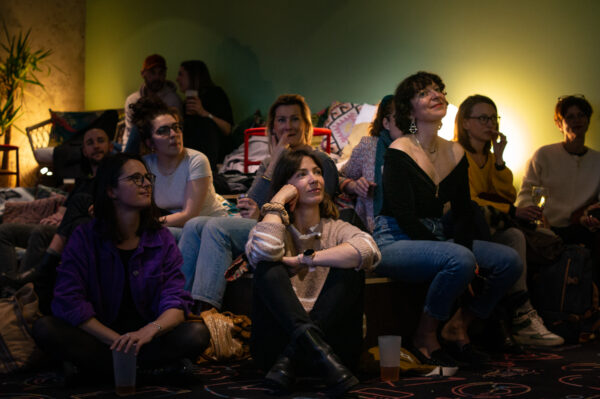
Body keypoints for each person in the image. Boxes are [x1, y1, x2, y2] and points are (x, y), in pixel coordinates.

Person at [373, 72, 522, 367]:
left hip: (438, 237)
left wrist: (465, 249)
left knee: (509, 261)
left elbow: (465, 211)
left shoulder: (455, 151)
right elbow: (403, 215)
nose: (435, 94)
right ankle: (426, 337)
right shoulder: (399, 149)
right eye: (423, 92)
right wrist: (462, 254)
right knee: (460, 259)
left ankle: (458, 325)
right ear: (409, 109)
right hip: (394, 238)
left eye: (438, 89)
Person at [31, 153, 209, 378]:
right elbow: (68, 300)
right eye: (135, 178)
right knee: (45, 329)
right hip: (101, 338)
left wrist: (149, 331)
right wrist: (116, 341)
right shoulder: (85, 238)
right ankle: (152, 371)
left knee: (197, 334)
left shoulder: (161, 238)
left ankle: (96, 373)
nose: (145, 184)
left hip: (145, 338)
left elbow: (175, 299)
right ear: (111, 190)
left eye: (147, 177)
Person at [178, 94, 339, 303]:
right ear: (272, 127)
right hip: (263, 226)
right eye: (281, 120)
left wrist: (264, 211)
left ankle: (204, 309)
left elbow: (321, 209)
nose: (287, 125)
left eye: (294, 119)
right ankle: (178, 304)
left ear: (306, 124)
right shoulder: (269, 162)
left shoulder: (321, 161)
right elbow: (253, 202)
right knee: (194, 225)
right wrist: (274, 162)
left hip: (294, 231)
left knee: (216, 228)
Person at [245, 149, 380, 395]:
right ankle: (311, 348)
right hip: (279, 350)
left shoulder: (338, 227)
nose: (314, 179)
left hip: (329, 351)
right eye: (302, 174)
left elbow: (369, 251)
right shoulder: (270, 228)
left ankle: (301, 353)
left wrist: (306, 259)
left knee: (351, 264)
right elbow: (265, 249)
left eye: (317, 172)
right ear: (286, 185)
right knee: (268, 266)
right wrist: (277, 203)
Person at [455, 94, 564, 346]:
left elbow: (508, 194)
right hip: (468, 226)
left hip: (493, 225)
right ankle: (518, 315)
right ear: (465, 123)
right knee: (514, 232)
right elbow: (470, 200)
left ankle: (522, 313)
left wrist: (500, 157)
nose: (491, 124)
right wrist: (512, 212)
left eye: (493, 118)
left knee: (519, 236)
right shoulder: (457, 153)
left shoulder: (491, 158)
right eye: (483, 118)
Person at [0, 123, 114, 311]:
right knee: (4, 231)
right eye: (90, 143)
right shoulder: (81, 182)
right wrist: (55, 216)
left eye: (100, 141)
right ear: (84, 151)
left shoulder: (113, 179)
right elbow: (62, 211)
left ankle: (19, 294)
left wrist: (62, 219)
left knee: (41, 232)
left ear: (110, 146)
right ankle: (8, 287)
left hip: (80, 230)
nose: (96, 146)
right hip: (58, 228)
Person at [131, 96, 229, 240]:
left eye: (176, 127)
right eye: (163, 131)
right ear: (150, 142)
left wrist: (148, 224)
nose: (174, 134)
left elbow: (189, 215)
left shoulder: (196, 160)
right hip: (175, 228)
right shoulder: (145, 165)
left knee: (155, 235)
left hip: (209, 228)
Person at [516, 95, 600, 249]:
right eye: (570, 117)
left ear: (588, 121)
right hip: (545, 226)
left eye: (581, 115)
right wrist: (539, 218)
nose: (577, 120)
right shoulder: (543, 154)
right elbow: (526, 195)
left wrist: (591, 217)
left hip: (580, 227)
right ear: (559, 124)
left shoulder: (597, 160)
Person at [340, 94, 403, 232]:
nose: (408, 124)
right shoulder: (368, 147)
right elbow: (340, 176)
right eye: (400, 118)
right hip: (378, 227)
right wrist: (354, 185)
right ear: (386, 123)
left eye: (411, 118)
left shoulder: (421, 147)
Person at [176, 60, 234, 171]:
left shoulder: (215, 94)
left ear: (192, 76)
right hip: (191, 155)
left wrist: (204, 113)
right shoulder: (186, 102)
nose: (177, 79)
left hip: (216, 154)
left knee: (205, 125)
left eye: (181, 74)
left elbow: (227, 129)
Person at [124, 54, 183, 153]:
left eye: (161, 73)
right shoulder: (132, 100)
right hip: (136, 144)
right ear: (143, 73)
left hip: (159, 144)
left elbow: (176, 130)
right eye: (152, 73)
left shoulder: (172, 100)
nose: (157, 77)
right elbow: (129, 132)